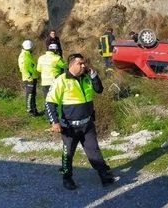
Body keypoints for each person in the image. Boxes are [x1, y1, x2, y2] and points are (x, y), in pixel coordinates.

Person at [45, 53, 118, 190]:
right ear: (72, 65)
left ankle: (105, 176)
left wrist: (94, 75)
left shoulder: (87, 78)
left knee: (94, 151)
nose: (83, 65)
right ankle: (67, 178)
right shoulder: (61, 80)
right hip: (69, 127)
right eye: (80, 63)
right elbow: (50, 102)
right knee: (68, 154)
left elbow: (99, 90)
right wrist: (54, 122)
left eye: (84, 63)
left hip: (87, 125)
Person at [18, 40, 40, 117]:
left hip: (33, 77)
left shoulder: (28, 54)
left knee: (33, 95)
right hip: (29, 79)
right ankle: (30, 111)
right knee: (30, 95)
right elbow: (23, 68)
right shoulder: (23, 55)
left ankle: (34, 110)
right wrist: (29, 77)